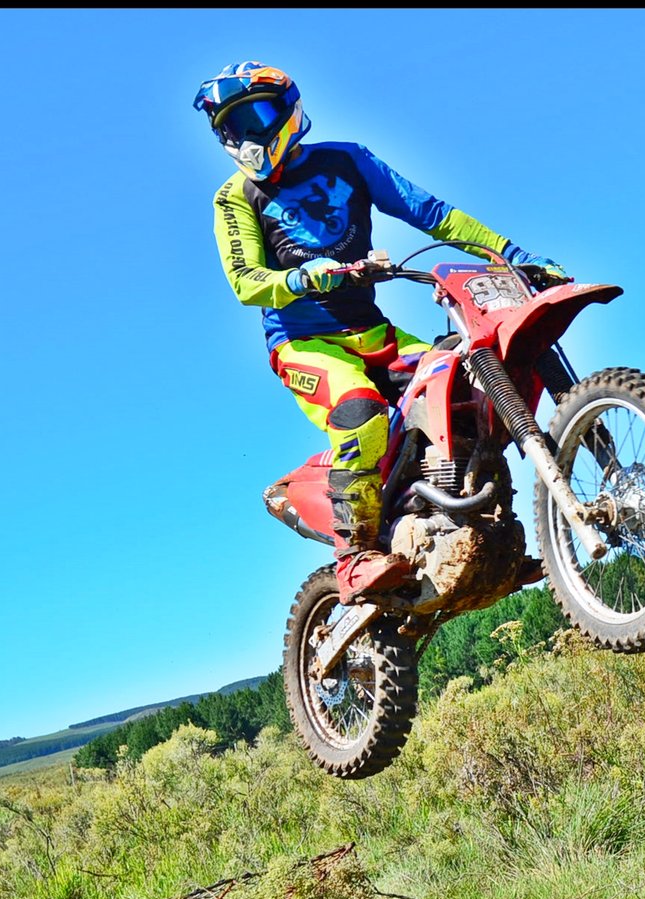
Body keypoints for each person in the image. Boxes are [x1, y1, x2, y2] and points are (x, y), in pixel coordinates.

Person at [192, 61, 565, 603]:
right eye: (230, 127)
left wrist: (511, 255)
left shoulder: (347, 162)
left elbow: (431, 213)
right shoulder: (235, 197)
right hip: (304, 344)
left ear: (288, 111)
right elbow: (246, 281)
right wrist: (301, 276)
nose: (244, 136)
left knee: (469, 382)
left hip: (376, 335)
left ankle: (481, 524)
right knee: (360, 412)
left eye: (254, 118)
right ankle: (354, 556)